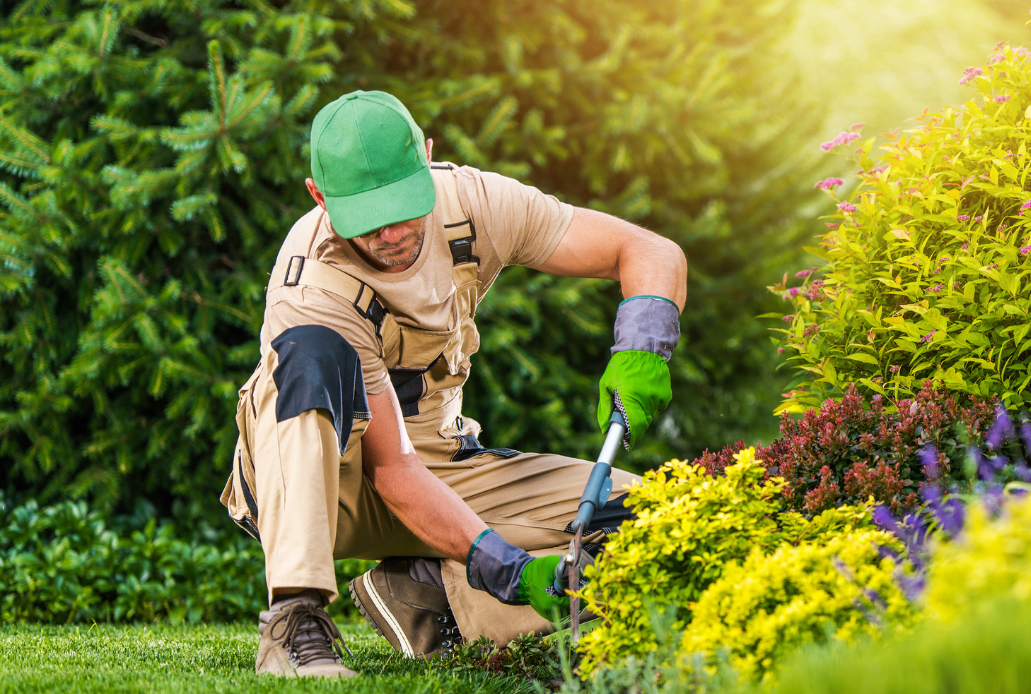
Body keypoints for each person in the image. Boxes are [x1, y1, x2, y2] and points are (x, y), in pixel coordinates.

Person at [220, 90, 684, 678]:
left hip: (440, 463)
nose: (391, 232)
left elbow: (645, 249)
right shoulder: (313, 285)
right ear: (319, 197)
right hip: (327, 486)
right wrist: (506, 566)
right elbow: (391, 471)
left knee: (650, 517)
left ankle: (430, 596)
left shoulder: (475, 204)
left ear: (429, 159)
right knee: (308, 357)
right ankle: (295, 621)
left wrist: (643, 349)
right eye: (368, 216)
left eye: (402, 205)